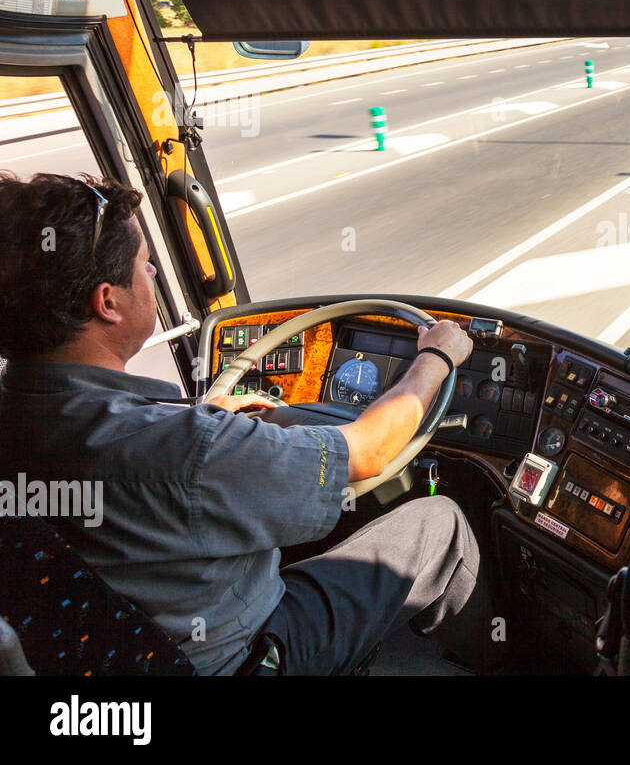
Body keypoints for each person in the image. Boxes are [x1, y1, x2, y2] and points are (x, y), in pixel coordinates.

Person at [0, 172, 487, 674]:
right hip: (244, 657)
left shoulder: (20, 413)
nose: (152, 272)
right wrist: (436, 357)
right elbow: (369, 450)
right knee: (440, 521)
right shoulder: (193, 449)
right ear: (108, 302)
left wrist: (208, 421)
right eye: (145, 266)